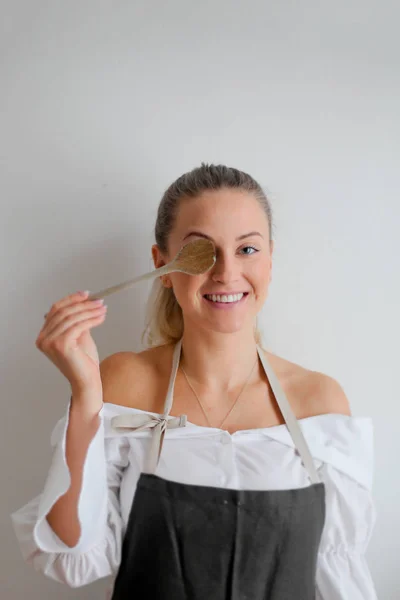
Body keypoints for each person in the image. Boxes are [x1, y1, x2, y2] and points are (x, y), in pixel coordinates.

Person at [11, 163, 377, 599]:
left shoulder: (319, 402)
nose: (225, 272)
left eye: (247, 249)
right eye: (201, 252)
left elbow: (340, 577)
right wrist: (86, 395)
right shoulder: (126, 382)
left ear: (271, 259)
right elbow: (71, 551)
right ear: (161, 263)